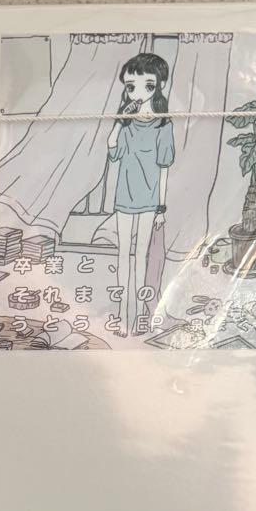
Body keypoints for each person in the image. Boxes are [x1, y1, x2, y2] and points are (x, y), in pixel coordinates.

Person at [106, 52, 176, 335]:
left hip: (149, 200)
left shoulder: (164, 124)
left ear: (159, 86)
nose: (137, 92)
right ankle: (122, 315)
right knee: (123, 255)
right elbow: (113, 151)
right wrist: (118, 122)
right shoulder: (126, 123)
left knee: (141, 256)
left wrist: (161, 208)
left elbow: (164, 168)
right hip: (124, 195)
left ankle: (138, 318)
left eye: (147, 85)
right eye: (130, 86)